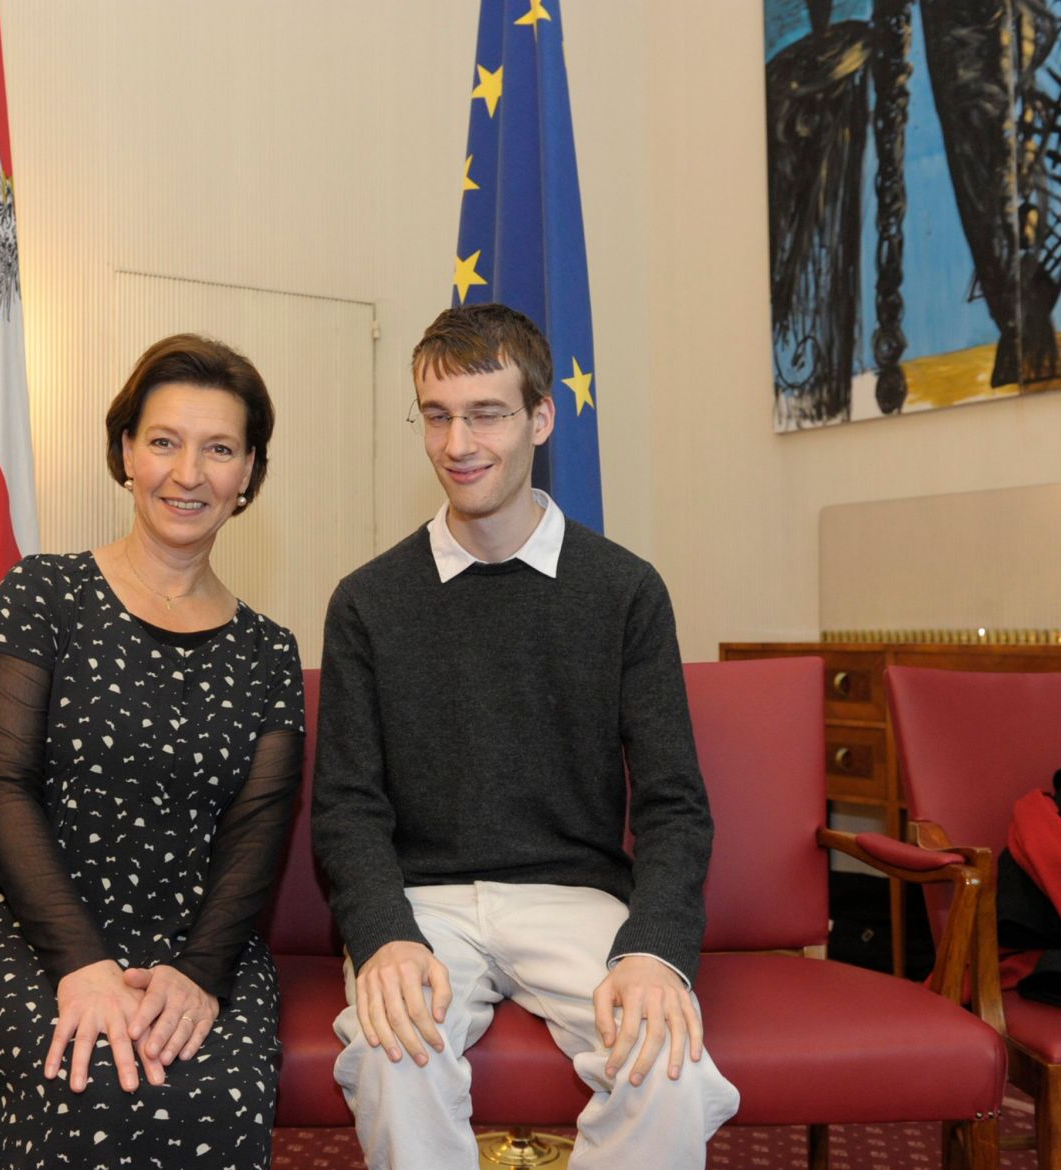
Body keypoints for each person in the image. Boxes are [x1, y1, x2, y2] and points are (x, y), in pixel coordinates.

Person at [312, 303, 740, 1168]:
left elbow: (674, 805)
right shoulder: (367, 601)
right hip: (422, 905)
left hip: (575, 900)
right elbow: (347, 808)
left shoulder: (624, 590)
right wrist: (383, 933)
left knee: (669, 1072)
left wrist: (656, 951)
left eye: (486, 414)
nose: (457, 444)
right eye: (437, 416)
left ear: (541, 418)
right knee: (394, 1059)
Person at [0, 334, 305, 1170]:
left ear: (249, 474)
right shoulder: (42, 594)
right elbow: (2, 788)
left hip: (196, 942)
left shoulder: (270, 652)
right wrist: (82, 964)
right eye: (164, 441)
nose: (188, 473)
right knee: (89, 1077)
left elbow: (257, 834)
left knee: (207, 1091)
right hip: (18, 924)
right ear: (126, 452)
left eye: (220, 449)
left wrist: (199, 973)